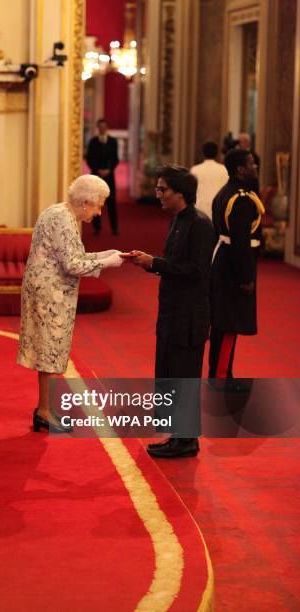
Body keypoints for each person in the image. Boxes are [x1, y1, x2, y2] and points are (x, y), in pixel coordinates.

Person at [17, 174, 124, 433]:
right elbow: (73, 265)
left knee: (50, 350)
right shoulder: (63, 219)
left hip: (50, 292)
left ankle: (45, 408)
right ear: (86, 202)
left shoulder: (64, 214)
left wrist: (104, 254)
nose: (99, 212)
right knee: (48, 351)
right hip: (48, 295)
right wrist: (107, 263)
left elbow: (73, 255)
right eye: (98, 206)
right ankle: (44, 412)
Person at [128, 165, 215, 458]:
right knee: (169, 372)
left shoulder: (200, 224)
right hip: (171, 312)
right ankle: (178, 436)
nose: (158, 194)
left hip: (189, 315)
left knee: (184, 375)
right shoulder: (177, 220)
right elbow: (176, 264)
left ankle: (187, 439)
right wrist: (152, 263)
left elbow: (197, 271)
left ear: (181, 193)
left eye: (163, 189)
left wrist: (155, 264)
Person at [209, 148, 264, 388]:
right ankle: (220, 377)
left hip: (224, 260)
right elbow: (241, 241)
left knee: (224, 323)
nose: (255, 168)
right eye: (252, 164)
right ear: (240, 169)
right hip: (234, 265)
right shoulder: (240, 199)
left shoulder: (227, 192)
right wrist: (247, 276)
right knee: (229, 324)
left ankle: (222, 374)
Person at [86, 118, 119, 235]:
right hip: (96, 176)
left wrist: (109, 170)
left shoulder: (113, 142)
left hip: (109, 176)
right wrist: (97, 170)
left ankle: (115, 228)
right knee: (95, 202)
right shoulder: (92, 142)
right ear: (97, 128)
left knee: (111, 202)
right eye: (100, 127)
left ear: (107, 128)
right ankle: (96, 228)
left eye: (104, 127)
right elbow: (89, 158)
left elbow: (116, 159)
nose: (102, 129)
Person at [190, 141, 228, 218]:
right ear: (217, 153)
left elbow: (191, 190)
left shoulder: (195, 170)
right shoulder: (224, 169)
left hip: (200, 207)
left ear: (203, 153)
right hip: (218, 206)